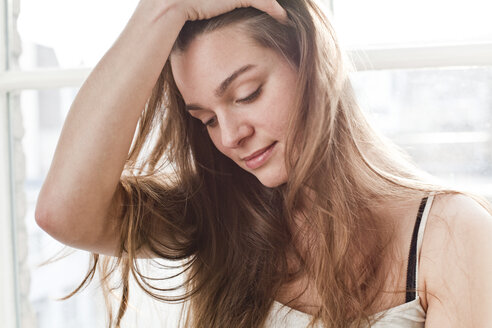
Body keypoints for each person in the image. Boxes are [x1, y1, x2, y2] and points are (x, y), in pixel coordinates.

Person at [35, 0, 492, 327]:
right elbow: (63, 213)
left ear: (313, 61)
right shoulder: (219, 216)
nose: (230, 135)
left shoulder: (451, 235)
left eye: (247, 94)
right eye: (207, 119)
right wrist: (160, 10)